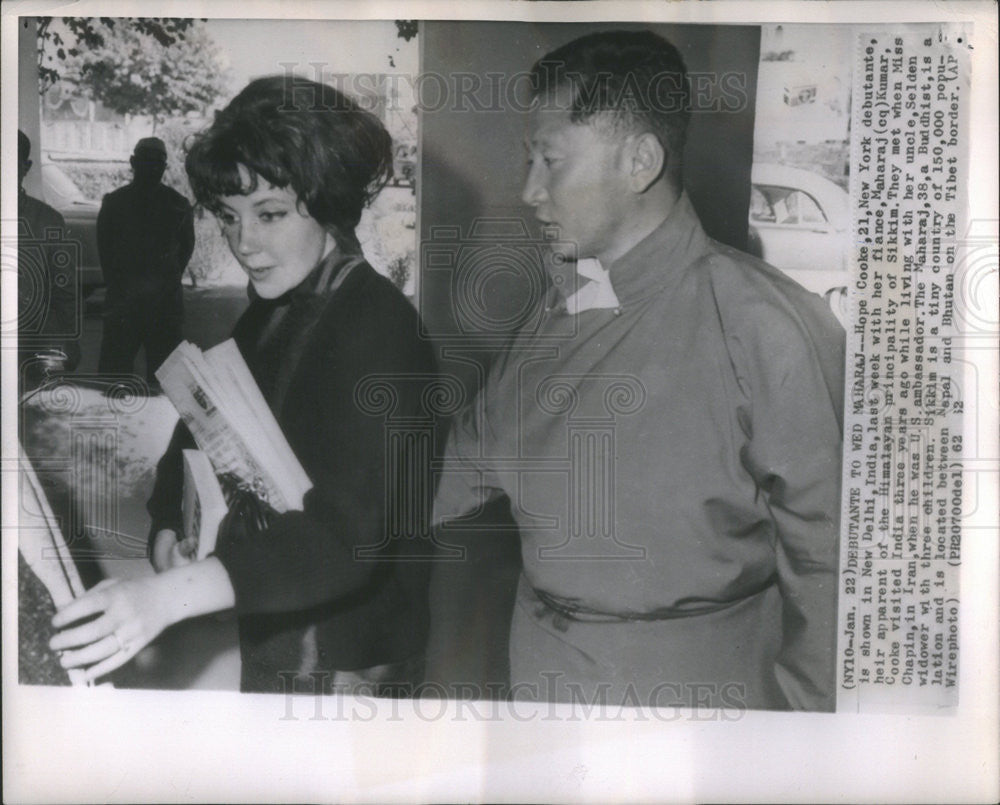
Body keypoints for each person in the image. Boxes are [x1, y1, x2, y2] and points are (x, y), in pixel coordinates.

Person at [432, 30, 845, 711]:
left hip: (698, 695)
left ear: (640, 161)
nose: (529, 190)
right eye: (526, 159)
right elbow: (462, 466)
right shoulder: (558, 303)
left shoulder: (768, 325)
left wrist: (795, 745)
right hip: (542, 674)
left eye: (551, 161)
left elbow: (831, 569)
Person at [51, 76, 437, 697]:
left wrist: (166, 598)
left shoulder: (379, 327)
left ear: (331, 202)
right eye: (229, 217)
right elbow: (200, 423)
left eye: (272, 215)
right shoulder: (278, 305)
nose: (243, 244)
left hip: (351, 658)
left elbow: (348, 535)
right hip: (283, 626)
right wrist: (165, 526)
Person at [97, 136, 195, 384]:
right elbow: (105, 250)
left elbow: (185, 250)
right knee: (113, 382)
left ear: (164, 167)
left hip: (157, 307)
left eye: (157, 163)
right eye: (146, 162)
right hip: (128, 305)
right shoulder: (115, 203)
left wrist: (166, 279)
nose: (152, 168)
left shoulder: (179, 205)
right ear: (133, 162)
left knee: (167, 385)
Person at [17, 129, 81, 387]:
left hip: (33, 346)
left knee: (31, 419)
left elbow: (65, 292)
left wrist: (68, 343)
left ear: (27, 167)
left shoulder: (49, 221)